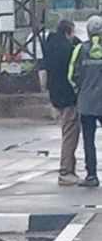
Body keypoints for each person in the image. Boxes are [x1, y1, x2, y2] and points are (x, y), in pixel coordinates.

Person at [42, 19, 80, 185]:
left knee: (67, 132)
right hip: (68, 98)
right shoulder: (67, 50)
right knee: (70, 134)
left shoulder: (50, 46)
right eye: (73, 33)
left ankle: (69, 168)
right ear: (67, 33)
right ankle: (66, 171)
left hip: (55, 97)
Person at [69, 15, 102, 187]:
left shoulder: (80, 49)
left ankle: (91, 175)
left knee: (89, 141)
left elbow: (71, 75)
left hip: (87, 103)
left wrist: (79, 92)